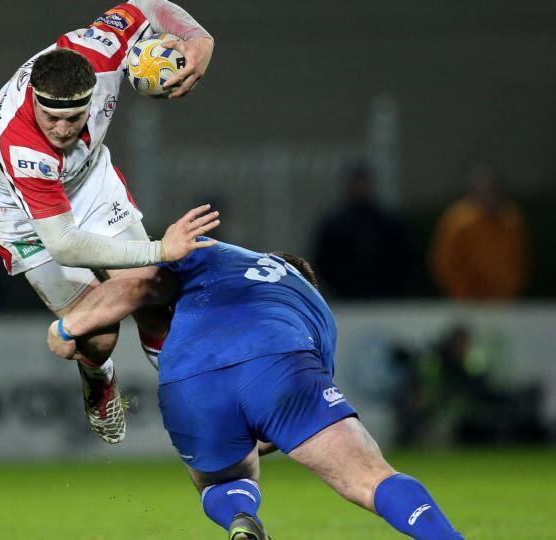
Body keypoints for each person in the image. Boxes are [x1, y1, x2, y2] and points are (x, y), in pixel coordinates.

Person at [47, 240, 465, 539]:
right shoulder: (317, 310)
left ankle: (240, 521)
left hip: (187, 375)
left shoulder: (213, 251)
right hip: (278, 359)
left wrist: (70, 325)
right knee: (372, 479)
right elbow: (282, 423)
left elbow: (137, 285)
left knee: (220, 482)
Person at [0, 0, 215, 443]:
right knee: (99, 334)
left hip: (85, 184)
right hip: (19, 215)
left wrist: (200, 39)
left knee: (155, 292)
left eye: (73, 117)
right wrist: (160, 249)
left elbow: (148, 6)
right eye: (51, 117)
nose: (61, 130)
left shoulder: (101, 48)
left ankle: (200, 402)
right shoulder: (23, 146)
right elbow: (64, 244)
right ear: (34, 102)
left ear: (92, 92)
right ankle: (97, 378)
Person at [312, 159, 418, 298]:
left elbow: (404, 257)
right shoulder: (334, 223)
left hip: (385, 296)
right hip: (347, 297)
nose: (360, 187)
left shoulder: (387, 221)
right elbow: (324, 261)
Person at [430, 164, 528, 300]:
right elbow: (446, 263)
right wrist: (465, 291)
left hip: (504, 300)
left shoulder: (510, 220)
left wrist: (510, 289)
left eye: (493, 191)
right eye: (484, 191)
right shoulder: (459, 221)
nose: (490, 197)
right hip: (468, 300)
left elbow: (518, 260)